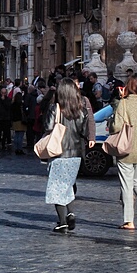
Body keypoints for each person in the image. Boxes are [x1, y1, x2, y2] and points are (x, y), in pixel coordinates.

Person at [41, 78, 95, 234]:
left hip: (59, 152)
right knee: (68, 184)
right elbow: (84, 132)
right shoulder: (81, 110)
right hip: (76, 153)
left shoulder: (55, 108)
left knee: (57, 187)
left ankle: (63, 222)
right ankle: (70, 212)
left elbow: (48, 127)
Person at [111, 73, 137, 229]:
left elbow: (116, 126)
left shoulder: (124, 103)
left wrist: (120, 100)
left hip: (127, 149)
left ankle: (129, 220)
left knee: (127, 185)